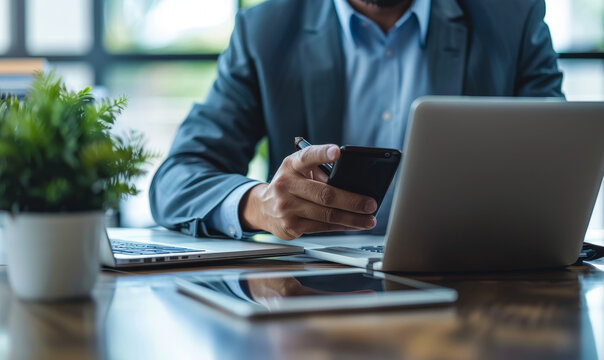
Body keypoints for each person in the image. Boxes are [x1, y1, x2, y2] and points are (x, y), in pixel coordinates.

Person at [149, 0, 563, 240]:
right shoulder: (265, 31)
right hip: (311, 301)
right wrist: (259, 205)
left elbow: (558, 168)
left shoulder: (512, 17)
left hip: (478, 291)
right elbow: (177, 179)